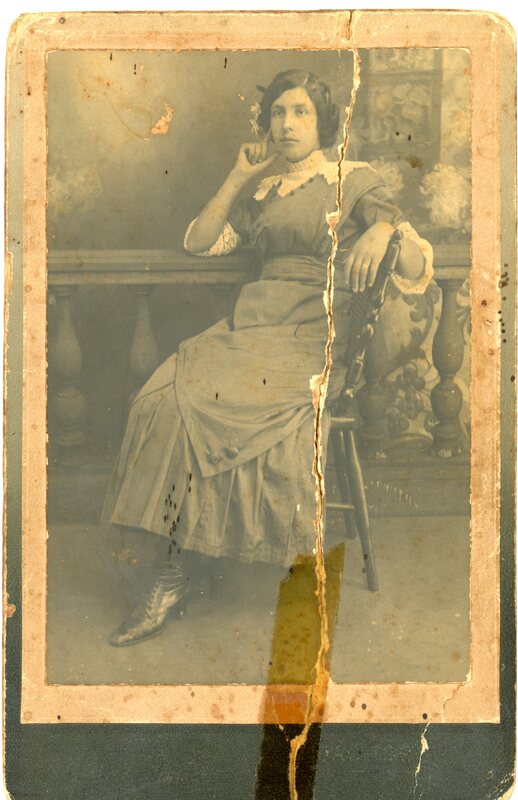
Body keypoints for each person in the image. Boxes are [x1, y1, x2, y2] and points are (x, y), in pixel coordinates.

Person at [101, 69, 433, 647]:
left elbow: (416, 266)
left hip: (315, 334)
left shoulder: (355, 181)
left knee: (227, 405)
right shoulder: (263, 192)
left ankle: (173, 574)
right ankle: (178, 564)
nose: (287, 124)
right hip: (252, 327)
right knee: (163, 397)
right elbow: (199, 241)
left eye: (301, 112)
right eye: (278, 112)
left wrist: (387, 232)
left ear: (323, 122)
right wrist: (238, 175)